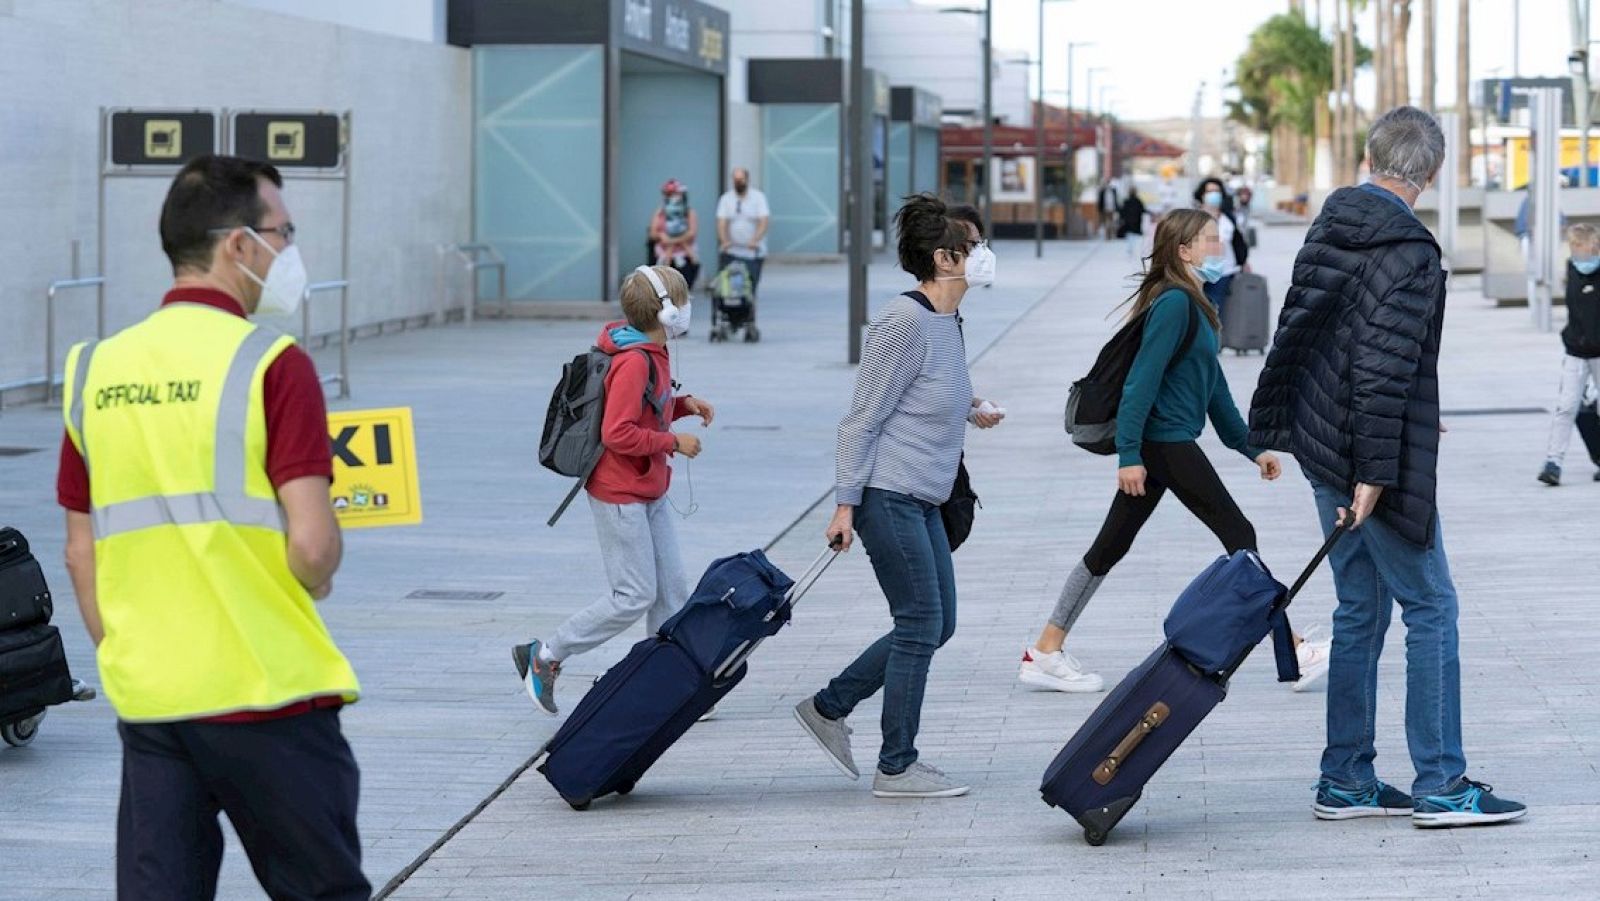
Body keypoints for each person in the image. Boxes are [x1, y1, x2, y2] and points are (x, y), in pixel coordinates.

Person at [57, 155, 368, 899]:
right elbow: (313, 544)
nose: (288, 252)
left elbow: (79, 553)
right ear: (238, 245)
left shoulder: (93, 369)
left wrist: (132, 657)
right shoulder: (272, 363)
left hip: (155, 702)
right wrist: (319, 569)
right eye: (282, 233)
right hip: (269, 690)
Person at [1249, 106, 1527, 827]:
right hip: (1372, 456)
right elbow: (1376, 365)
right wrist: (1373, 471)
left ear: (1373, 159)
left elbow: (1304, 331)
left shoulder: (1330, 222)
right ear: (1430, 174)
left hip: (1322, 444)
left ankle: (1345, 778)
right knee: (1432, 605)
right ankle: (1442, 783)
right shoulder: (1409, 248)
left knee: (1360, 608)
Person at [1017, 209, 1326, 694]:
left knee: (1110, 546)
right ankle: (1295, 647)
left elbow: (1215, 390)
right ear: (1184, 251)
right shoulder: (1174, 305)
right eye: (1208, 238)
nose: (1218, 244)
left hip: (1166, 442)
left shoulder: (1196, 303)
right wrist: (1128, 455)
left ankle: (1046, 648)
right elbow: (1140, 382)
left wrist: (1252, 448)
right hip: (1164, 443)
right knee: (1239, 533)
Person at [793, 193, 1004, 800]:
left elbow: (932, 390)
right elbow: (862, 418)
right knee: (919, 622)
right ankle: (897, 766)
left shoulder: (947, 320)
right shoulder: (901, 322)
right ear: (943, 258)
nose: (984, 254)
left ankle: (830, 708)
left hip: (925, 495)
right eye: (974, 246)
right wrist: (844, 503)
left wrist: (973, 407)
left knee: (939, 623)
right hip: (888, 494)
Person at [513, 265, 715, 715]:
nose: (687, 309)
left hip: (648, 487)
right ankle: (545, 655)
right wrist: (671, 443)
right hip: (620, 493)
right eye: (682, 301)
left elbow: (647, 407)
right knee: (634, 595)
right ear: (665, 314)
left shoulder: (649, 350)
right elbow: (618, 432)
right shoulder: (633, 360)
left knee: (671, 591)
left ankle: (668, 685)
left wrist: (682, 406)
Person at [1537, 223, 1600, 485]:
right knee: (1566, 406)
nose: (1576, 253)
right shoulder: (1572, 269)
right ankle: (1553, 462)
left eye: (1580, 247)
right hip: (1576, 350)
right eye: (1573, 248)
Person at [1193, 177, 1250, 319]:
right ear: (1202, 195)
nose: (1214, 194)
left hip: (1223, 272)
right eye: (1210, 191)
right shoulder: (1192, 217)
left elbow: (1238, 242)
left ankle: (1213, 339)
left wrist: (1243, 262)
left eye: (1217, 191)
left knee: (1214, 312)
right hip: (1197, 272)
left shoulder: (1228, 218)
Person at [715, 167, 770, 294]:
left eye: (741, 179)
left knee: (750, 286)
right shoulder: (726, 199)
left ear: (747, 180)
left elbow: (764, 221)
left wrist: (755, 240)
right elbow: (721, 222)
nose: (738, 183)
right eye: (735, 180)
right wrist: (724, 241)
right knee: (726, 285)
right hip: (731, 250)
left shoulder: (758, 198)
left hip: (752, 252)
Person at [650, 179, 701, 288]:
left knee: (684, 285)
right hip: (664, 255)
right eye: (669, 194)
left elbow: (692, 232)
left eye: (675, 194)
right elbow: (653, 233)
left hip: (685, 254)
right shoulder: (660, 212)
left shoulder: (689, 212)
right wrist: (662, 236)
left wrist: (673, 240)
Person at [1117, 187, 1147, 259]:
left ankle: (1130, 252)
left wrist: (1121, 219)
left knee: (1129, 238)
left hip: (1128, 224)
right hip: (1136, 224)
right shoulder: (1138, 201)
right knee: (1135, 239)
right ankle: (1134, 252)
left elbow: (1122, 212)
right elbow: (1143, 210)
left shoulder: (1126, 201)